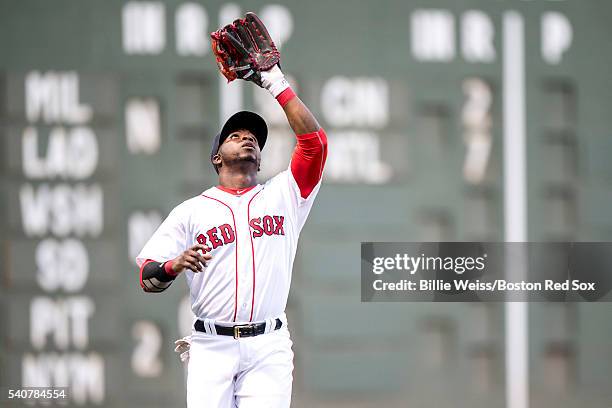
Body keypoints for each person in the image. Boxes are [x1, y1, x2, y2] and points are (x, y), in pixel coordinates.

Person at [136, 12, 327, 408]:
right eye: (235, 136)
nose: (247, 140)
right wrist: (173, 265)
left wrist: (274, 80)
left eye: (254, 138)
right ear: (216, 157)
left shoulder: (285, 195)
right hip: (211, 346)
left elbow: (315, 143)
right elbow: (148, 277)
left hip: (269, 346)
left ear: (259, 158)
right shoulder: (191, 212)